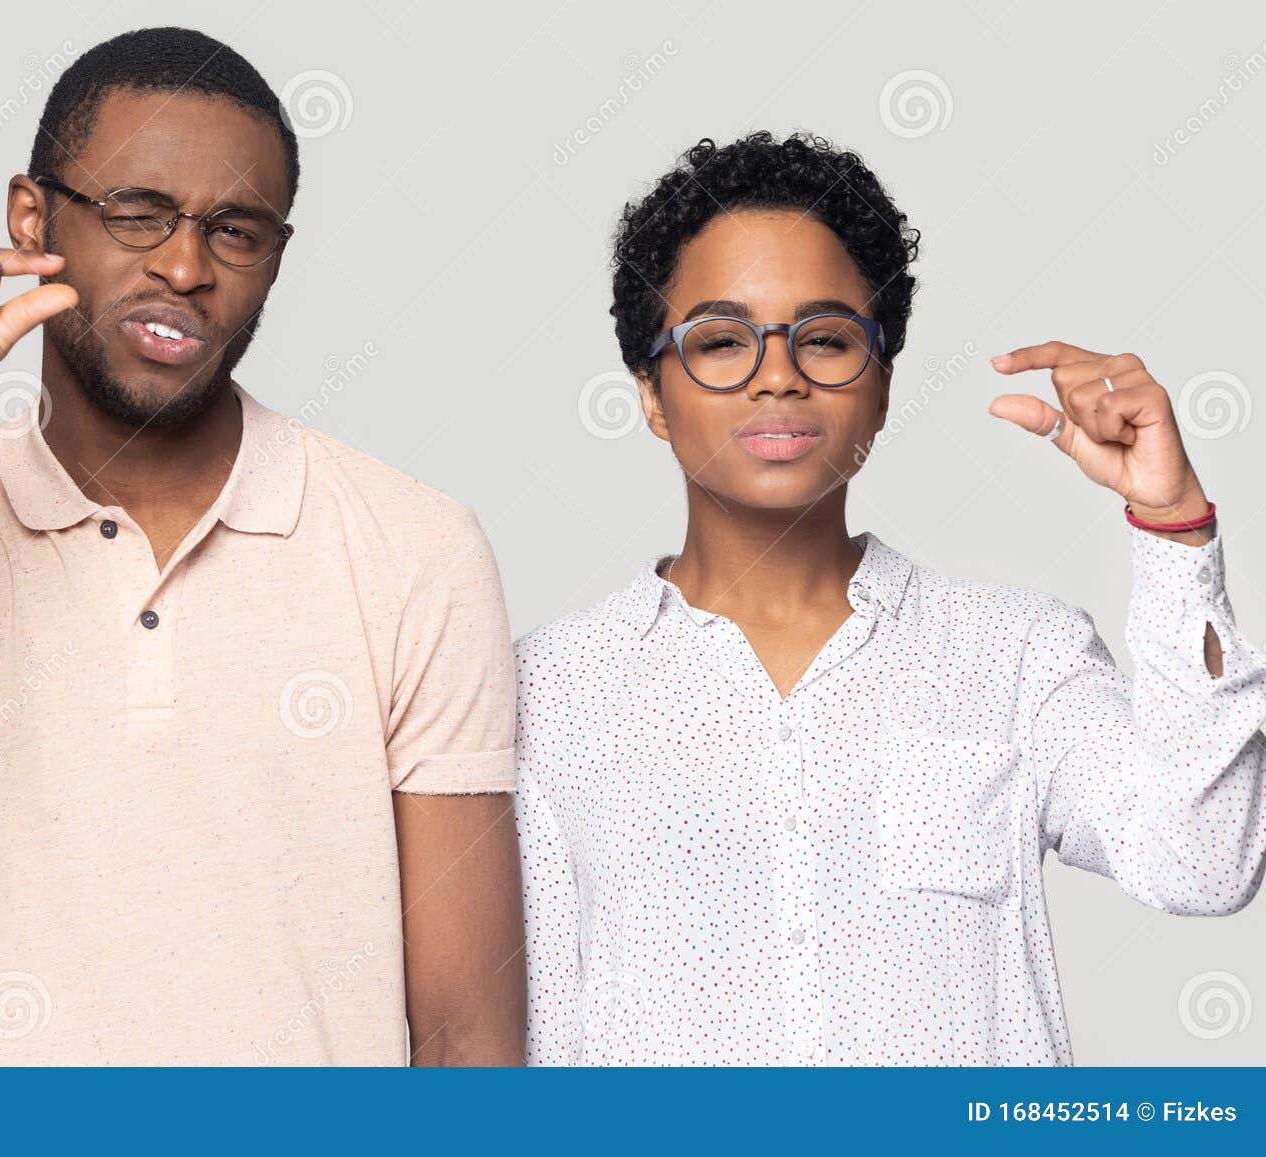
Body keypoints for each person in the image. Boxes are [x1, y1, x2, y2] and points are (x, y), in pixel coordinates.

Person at [0, 27, 524, 1066]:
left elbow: (468, 1033)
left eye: (235, 230)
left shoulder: (413, 546)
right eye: (138, 214)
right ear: (31, 218)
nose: (184, 265)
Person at [513, 130, 1266, 1065]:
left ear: (879, 384)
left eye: (824, 338)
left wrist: (1175, 526)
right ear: (653, 394)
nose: (778, 374)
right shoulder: (546, 689)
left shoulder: (1018, 655)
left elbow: (1204, 862)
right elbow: (539, 1032)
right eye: (720, 340)